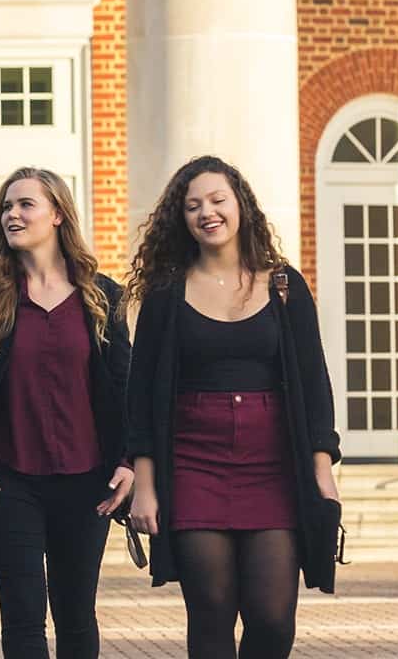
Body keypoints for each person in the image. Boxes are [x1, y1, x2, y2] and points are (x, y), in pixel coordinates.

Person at [125, 156, 343, 659]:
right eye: (192, 205)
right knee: (212, 612)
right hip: (193, 465)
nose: (207, 212)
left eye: (217, 200)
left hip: (274, 469)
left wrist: (321, 470)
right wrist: (146, 487)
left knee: (272, 618)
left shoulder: (285, 285)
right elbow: (140, 397)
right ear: (180, 220)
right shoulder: (166, 293)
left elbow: (314, 382)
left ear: (240, 205)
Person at [0, 167, 133, 659]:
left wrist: (128, 460)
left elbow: (125, 386)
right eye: (6, 206)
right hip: (8, 482)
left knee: (77, 616)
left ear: (57, 214)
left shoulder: (103, 297)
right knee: (23, 617)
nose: (12, 214)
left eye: (25, 204)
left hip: (88, 481)